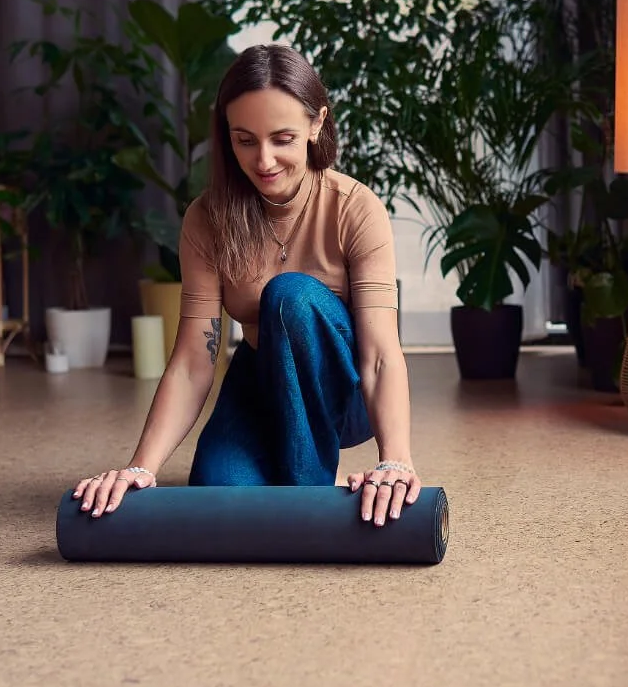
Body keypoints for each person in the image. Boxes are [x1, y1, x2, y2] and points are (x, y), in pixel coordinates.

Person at [72, 43, 420, 526]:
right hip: (261, 377)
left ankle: (308, 493)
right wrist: (140, 468)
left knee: (289, 296)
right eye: (245, 140)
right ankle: (312, 480)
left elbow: (381, 355)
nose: (264, 160)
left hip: (346, 390)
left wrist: (396, 461)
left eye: (282, 138)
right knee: (219, 493)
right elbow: (193, 360)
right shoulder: (207, 218)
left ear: (316, 124)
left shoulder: (355, 207)